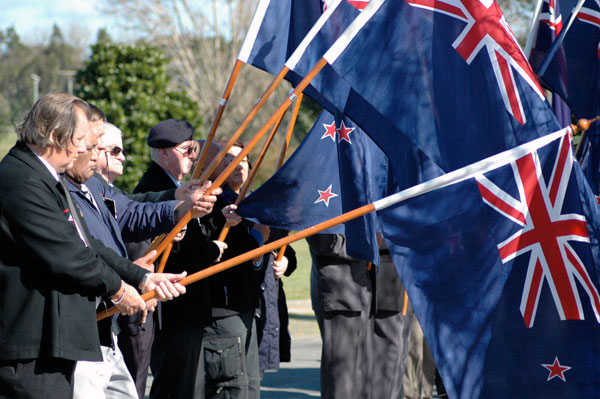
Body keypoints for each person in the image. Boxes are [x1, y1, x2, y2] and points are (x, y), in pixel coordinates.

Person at [0, 93, 184, 399]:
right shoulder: (24, 181)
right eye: (82, 139)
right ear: (55, 135)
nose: (88, 149)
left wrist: (142, 278)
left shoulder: (47, 178)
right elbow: (68, 255)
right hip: (30, 347)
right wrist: (119, 290)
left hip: (53, 343)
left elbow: (89, 245)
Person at [65, 113, 217, 399]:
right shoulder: (56, 187)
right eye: (98, 146)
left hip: (106, 324)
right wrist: (135, 278)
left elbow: (131, 209)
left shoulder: (95, 185)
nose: (102, 154)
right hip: (84, 323)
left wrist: (179, 207)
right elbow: (89, 249)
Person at [130, 119, 227, 399]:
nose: (192, 156)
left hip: (185, 307)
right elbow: (170, 249)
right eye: (186, 150)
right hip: (172, 309)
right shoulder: (153, 188)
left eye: (193, 149)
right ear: (163, 153)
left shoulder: (180, 187)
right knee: (177, 388)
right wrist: (212, 250)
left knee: (189, 387)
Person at [200, 141, 270, 399]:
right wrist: (257, 239)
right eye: (227, 160)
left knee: (249, 385)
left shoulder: (245, 200)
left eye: (242, 159)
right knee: (232, 387)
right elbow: (225, 252)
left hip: (246, 304)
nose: (236, 165)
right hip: (224, 307)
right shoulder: (212, 203)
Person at [307, 233, 374, 399]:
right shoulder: (325, 206)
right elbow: (323, 241)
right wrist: (365, 245)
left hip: (358, 290)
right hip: (338, 293)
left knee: (358, 376)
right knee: (340, 377)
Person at [256, 229, 297, 377]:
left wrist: (285, 260)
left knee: (255, 378)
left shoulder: (273, 222)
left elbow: (286, 249)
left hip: (270, 301)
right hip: (248, 305)